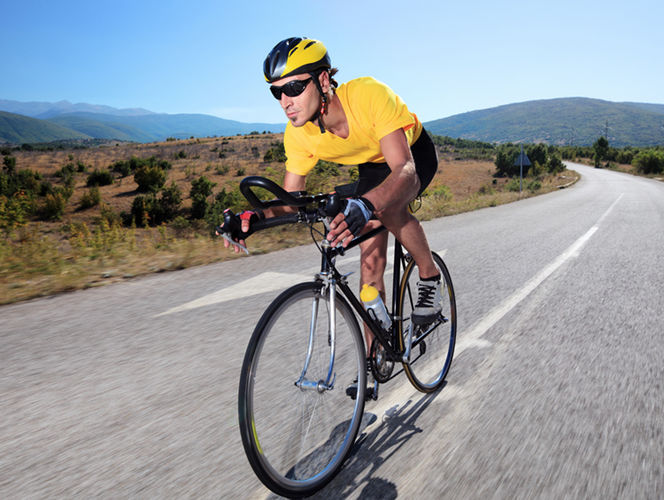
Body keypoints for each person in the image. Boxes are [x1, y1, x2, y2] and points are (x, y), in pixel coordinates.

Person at [223, 37, 442, 397]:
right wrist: (253, 219)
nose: (285, 101)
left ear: (323, 80)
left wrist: (366, 205)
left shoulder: (368, 95)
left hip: (410, 154)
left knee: (386, 209)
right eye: (276, 92)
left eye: (294, 88)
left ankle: (429, 276)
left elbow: (405, 171)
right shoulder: (299, 134)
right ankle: (373, 360)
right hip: (371, 167)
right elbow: (291, 200)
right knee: (369, 262)